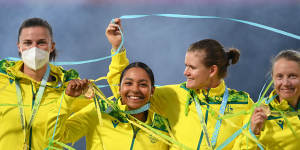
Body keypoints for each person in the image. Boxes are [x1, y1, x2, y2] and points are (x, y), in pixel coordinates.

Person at [106, 18, 254, 150]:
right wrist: (117, 48)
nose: (185, 72)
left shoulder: (243, 103)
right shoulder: (174, 95)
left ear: (212, 70)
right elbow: (127, 92)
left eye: (192, 67)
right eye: (186, 65)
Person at [0, 17, 91, 149]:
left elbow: (115, 105)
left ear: (51, 46)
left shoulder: (70, 88)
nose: (34, 49)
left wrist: (117, 49)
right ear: (19, 47)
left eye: (41, 43)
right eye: (27, 43)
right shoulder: (2, 80)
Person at [60, 60, 170, 149]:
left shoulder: (163, 129)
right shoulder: (98, 112)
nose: (135, 89)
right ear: (119, 89)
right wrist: (67, 99)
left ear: (152, 91)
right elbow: (60, 136)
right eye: (128, 83)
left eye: (143, 85)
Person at [233, 50, 300, 149]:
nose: (285, 83)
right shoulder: (258, 111)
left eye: (292, 76)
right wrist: (253, 132)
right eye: (279, 76)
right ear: (273, 77)